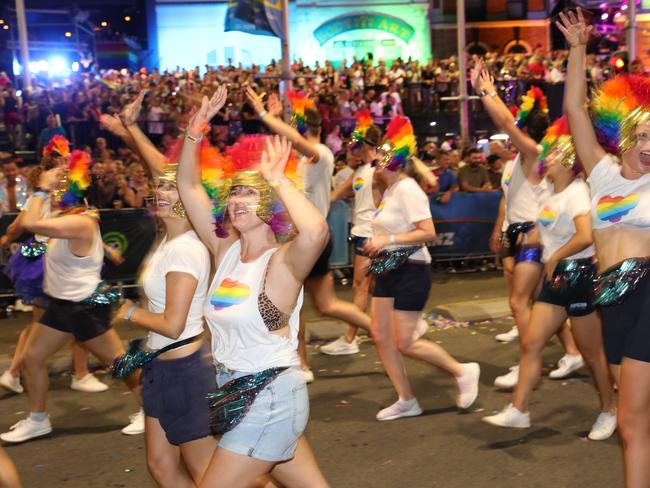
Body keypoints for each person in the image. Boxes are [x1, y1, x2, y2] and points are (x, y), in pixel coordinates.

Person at [177, 88, 329, 487]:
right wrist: (195, 131)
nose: (238, 201)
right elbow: (189, 189)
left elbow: (316, 231)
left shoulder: (281, 262)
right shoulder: (224, 250)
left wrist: (278, 180)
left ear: (271, 207)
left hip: (269, 398)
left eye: (251, 193)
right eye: (234, 193)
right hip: (236, 394)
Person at [104, 91, 217, 478]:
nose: (162, 191)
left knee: (208, 473)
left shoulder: (186, 249)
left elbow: (171, 322)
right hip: (158, 365)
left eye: (172, 189)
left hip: (185, 369)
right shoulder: (167, 241)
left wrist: (130, 311)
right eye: (160, 188)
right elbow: (161, 168)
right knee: (160, 465)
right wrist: (132, 128)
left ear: (189, 199)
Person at [483, 116, 617, 440]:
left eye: (555, 154)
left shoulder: (576, 193)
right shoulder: (547, 194)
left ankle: (609, 409)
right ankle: (519, 410)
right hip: (554, 279)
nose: (549, 157)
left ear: (570, 162)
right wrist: (525, 248)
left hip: (577, 276)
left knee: (592, 354)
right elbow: (545, 233)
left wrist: (555, 256)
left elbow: (585, 235)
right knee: (531, 342)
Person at [559, 9, 650, 485]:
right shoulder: (602, 173)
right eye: (643, 135)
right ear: (623, 135)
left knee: (633, 422)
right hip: (609, 299)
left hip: (648, 293)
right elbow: (575, 111)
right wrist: (578, 49)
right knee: (635, 424)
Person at [0, 151, 141, 444]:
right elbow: (30, 223)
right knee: (32, 358)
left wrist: (42, 188)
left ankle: (154, 411)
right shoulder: (69, 218)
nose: (55, 196)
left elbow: (31, 223)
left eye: (62, 190)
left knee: (120, 363)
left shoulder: (79, 223)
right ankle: (38, 419)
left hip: (85, 308)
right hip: (61, 305)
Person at [245, 86, 371, 382]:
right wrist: (273, 118)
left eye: (293, 121)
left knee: (294, 304)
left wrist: (264, 115)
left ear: (304, 127)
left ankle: (302, 364)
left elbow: (294, 141)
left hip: (309, 239)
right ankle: (379, 330)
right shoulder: (300, 161)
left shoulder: (321, 154)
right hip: (302, 239)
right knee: (325, 304)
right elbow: (282, 148)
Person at [471, 59, 583, 391]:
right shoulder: (522, 158)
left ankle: (526, 363)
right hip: (525, 233)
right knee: (541, 301)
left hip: (535, 238)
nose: (512, 130)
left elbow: (505, 120)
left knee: (519, 302)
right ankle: (573, 352)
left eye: (518, 125)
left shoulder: (534, 152)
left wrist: (486, 91)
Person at [364, 116, 480, 421]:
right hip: (387, 268)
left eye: (381, 154)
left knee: (405, 342)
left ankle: (461, 371)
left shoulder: (407, 189)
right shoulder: (390, 191)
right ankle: (406, 399)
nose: (374, 157)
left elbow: (427, 231)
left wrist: (387, 238)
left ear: (395, 160)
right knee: (379, 334)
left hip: (410, 269)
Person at [1, 139, 110, 396]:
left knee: (48, 323)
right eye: (65, 159)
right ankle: (73, 374)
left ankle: (19, 373)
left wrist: (7, 237)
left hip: (58, 261)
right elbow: (24, 224)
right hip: (50, 264)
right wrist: (8, 236)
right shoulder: (50, 193)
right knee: (55, 322)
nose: (69, 164)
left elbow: (18, 227)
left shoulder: (63, 195)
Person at [322, 111, 385, 355]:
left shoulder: (381, 168)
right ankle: (403, 324)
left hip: (372, 235)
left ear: (364, 144)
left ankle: (350, 340)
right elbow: (333, 196)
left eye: (354, 144)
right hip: (361, 233)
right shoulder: (360, 171)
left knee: (361, 285)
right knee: (372, 286)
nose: (350, 148)